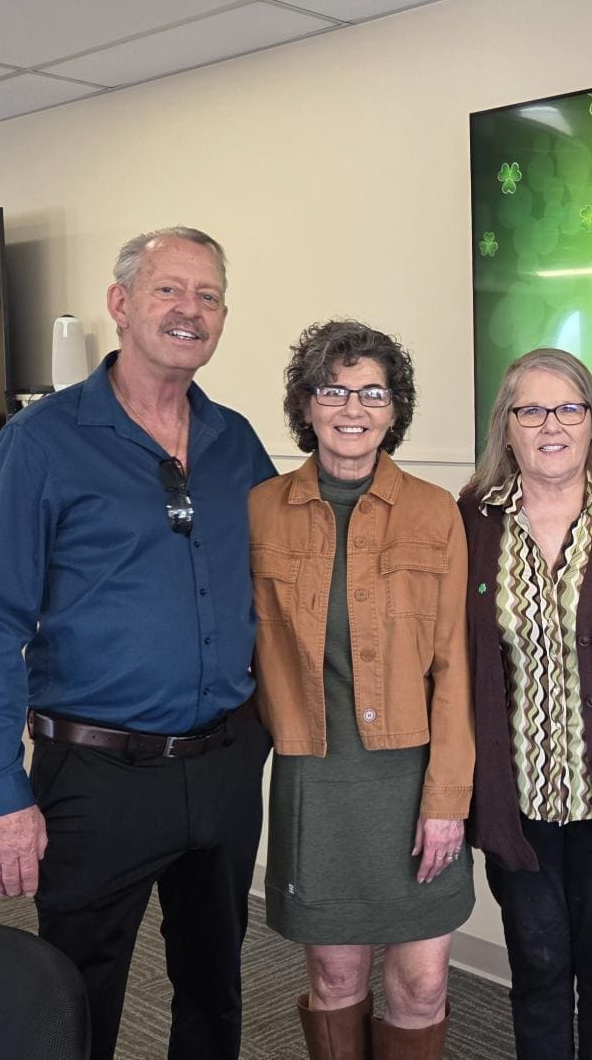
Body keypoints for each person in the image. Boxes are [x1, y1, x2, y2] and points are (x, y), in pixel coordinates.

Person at [0, 226, 277, 1060]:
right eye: (170, 290)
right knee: (74, 997)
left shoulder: (236, 442)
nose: (189, 311)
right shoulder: (42, 443)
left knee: (215, 986)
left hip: (226, 763)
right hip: (98, 778)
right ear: (121, 304)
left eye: (208, 297)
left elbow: (287, 587)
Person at [249, 319, 473, 1060]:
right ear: (306, 406)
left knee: (421, 987)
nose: (353, 408)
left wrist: (447, 804)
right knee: (336, 979)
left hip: (411, 783)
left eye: (372, 392)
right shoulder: (258, 511)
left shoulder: (435, 511)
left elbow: (454, 671)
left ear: (394, 409)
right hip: (317, 781)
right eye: (333, 390)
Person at [458, 348, 592, 1060]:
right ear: (505, 426)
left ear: (591, 422)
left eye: (569, 408)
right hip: (518, 804)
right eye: (532, 409)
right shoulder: (472, 520)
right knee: (538, 969)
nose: (552, 425)